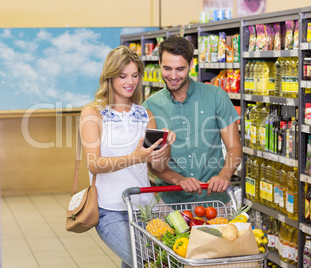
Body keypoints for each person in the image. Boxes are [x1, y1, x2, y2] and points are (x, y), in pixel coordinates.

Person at [80, 46, 176, 268]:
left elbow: (158, 166)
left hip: (145, 208)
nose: (129, 82)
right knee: (147, 262)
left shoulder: (145, 115)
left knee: (139, 262)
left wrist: (166, 146)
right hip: (110, 211)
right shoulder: (93, 113)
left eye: (134, 75)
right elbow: (94, 164)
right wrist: (135, 156)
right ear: (110, 77)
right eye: (123, 76)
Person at [143, 36, 242, 206]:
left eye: (180, 69)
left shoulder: (216, 96)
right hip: (171, 203)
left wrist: (225, 174)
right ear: (159, 63)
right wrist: (178, 179)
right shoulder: (149, 107)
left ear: (191, 65)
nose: (173, 76)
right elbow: (152, 164)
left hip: (215, 201)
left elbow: (234, 147)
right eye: (167, 68)